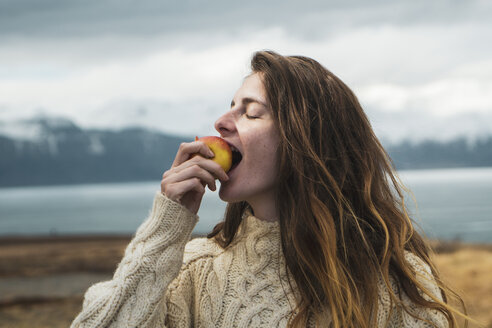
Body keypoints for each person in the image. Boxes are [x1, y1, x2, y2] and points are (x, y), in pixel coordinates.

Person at [71, 51, 466, 327]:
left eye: (251, 111)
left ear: (305, 140)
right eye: (230, 106)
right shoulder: (195, 271)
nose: (222, 122)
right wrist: (165, 226)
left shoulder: (392, 279)